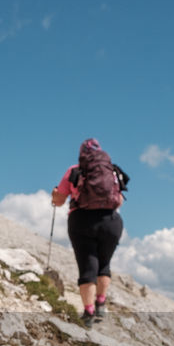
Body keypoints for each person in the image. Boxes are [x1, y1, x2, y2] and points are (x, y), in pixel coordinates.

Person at [51, 138, 127, 328]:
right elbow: (120, 200)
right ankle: (101, 302)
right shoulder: (113, 171)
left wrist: (55, 195)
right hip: (111, 222)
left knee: (88, 267)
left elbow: (59, 199)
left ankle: (88, 312)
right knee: (104, 264)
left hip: (81, 220)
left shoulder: (75, 170)